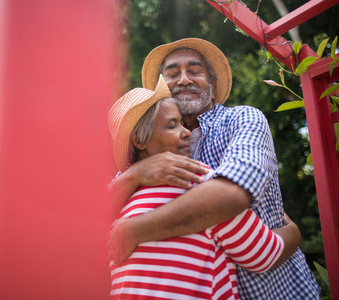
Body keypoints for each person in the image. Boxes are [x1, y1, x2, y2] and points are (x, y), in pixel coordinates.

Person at [108, 38, 320, 299]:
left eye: (195, 71)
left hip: (271, 291)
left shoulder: (242, 118)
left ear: (213, 83)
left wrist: (133, 228)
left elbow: (229, 196)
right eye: (172, 74)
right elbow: (95, 214)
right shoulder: (147, 167)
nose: (184, 79)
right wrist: (135, 173)